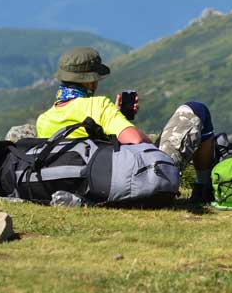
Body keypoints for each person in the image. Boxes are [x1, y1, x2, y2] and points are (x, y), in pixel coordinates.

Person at [36, 47, 216, 203]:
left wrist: (117, 118)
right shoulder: (97, 106)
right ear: (89, 81)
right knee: (196, 109)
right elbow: (136, 141)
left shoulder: (44, 119)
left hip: (83, 187)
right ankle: (204, 188)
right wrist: (125, 124)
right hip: (120, 182)